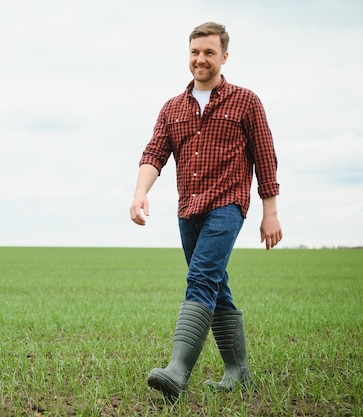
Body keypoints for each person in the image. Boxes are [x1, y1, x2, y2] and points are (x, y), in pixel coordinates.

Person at [129, 22, 282, 400]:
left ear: (224, 57)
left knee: (200, 279)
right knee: (215, 286)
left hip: (227, 205)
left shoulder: (245, 101)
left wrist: (270, 212)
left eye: (209, 52)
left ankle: (177, 372)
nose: (201, 59)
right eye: (195, 52)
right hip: (188, 209)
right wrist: (139, 193)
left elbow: (265, 157)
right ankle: (238, 372)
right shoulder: (173, 108)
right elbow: (154, 154)